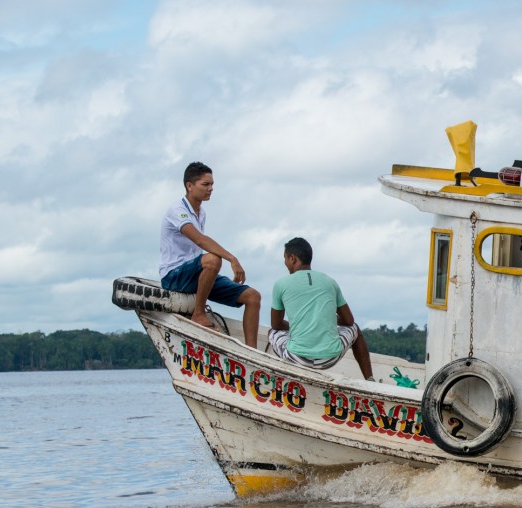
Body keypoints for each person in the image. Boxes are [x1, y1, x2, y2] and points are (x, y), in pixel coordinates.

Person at [158, 161, 261, 347]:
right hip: (174, 275)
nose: (211, 189)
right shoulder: (177, 210)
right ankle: (198, 314)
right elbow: (200, 240)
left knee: (253, 297)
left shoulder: (201, 213)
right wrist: (232, 258)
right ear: (190, 186)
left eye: (212, 184)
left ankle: (252, 352)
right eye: (205, 184)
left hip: (196, 272)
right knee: (213, 259)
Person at [268, 237, 374, 379]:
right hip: (328, 359)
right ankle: (369, 380)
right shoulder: (330, 281)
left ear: (292, 258)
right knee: (355, 329)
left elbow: (276, 324)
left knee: (273, 332)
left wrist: (297, 326)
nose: (285, 263)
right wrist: (327, 319)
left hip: (296, 358)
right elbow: (349, 321)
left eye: (285, 258)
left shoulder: (281, 284)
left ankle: (287, 377)